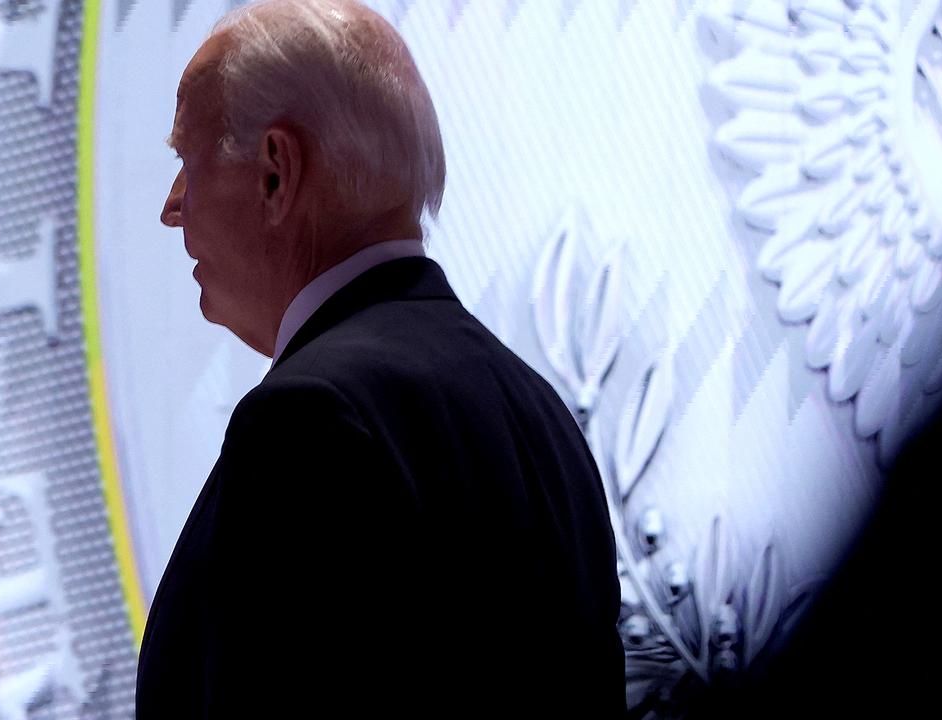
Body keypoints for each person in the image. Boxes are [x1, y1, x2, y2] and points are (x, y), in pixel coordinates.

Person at [136, 1, 624, 716]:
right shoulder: (539, 411)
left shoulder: (306, 421)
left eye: (188, 159)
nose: (172, 206)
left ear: (276, 172)